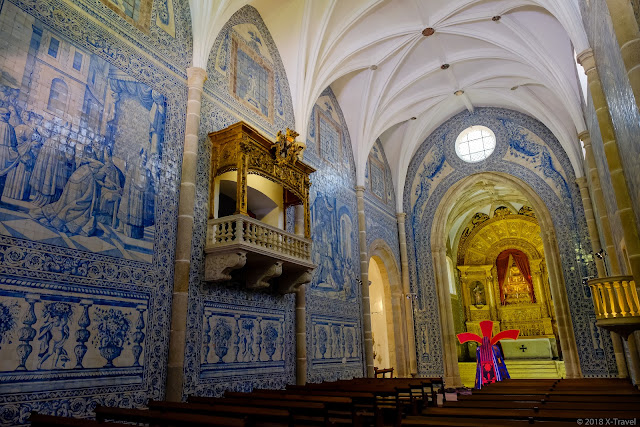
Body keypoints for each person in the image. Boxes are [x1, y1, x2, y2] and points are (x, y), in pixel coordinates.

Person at [29, 145, 103, 236]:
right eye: (98, 170)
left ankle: (46, 217)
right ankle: (57, 222)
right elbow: (89, 196)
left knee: (61, 208)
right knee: (73, 213)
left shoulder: (82, 170)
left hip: (69, 199)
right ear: (95, 167)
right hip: (78, 204)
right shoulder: (90, 175)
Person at [117, 148, 153, 239]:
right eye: (143, 157)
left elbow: (149, 184)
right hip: (132, 196)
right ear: (140, 157)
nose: (144, 160)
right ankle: (126, 229)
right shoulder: (133, 168)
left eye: (146, 158)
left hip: (141, 199)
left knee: (138, 216)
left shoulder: (147, 171)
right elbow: (128, 182)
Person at [0, 108, 18, 195]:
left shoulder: (10, 127)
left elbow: (13, 144)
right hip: (5, 153)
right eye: (5, 114)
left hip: (4, 153)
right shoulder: (9, 127)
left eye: (8, 115)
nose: (7, 116)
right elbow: (14, 144)